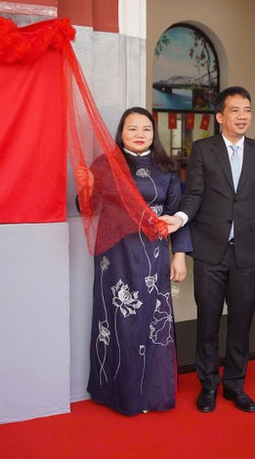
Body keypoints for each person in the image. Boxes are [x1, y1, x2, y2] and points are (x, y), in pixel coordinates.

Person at [161, 86, 255, 414]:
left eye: (247, 110)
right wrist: (181, 218)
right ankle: (209, 384)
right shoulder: (203, 149)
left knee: (242, 322)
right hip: (211, 249)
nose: (243, 116)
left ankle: (235, 385)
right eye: (235, 110)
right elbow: (195, 193)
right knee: (208, 320)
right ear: (219, 116)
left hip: (249, 251)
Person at [77, 107, 192, 415]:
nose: (140, 134)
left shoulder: (166, 167)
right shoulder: (106, 164)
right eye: (133, 129)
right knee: (120, 323)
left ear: (154, 134)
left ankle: (153, 393)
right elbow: (88, 206)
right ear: (121, 133)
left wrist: (179, 255)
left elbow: (177, 213)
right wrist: (87, 186)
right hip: (114, 256)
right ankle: (120, 393)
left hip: (153, 255)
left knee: (154, 322)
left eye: (146, 129)